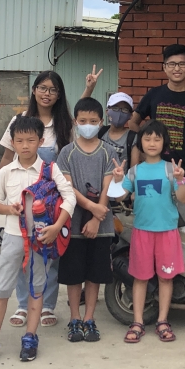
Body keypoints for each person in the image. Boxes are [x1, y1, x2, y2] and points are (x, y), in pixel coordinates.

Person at [0, 115, 76, 365]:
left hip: (41, 240)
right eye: (19, 140)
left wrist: (56, 227)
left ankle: (30, 337)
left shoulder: (50, 170)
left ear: (41, 141)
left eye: (31, 140)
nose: (25, 145)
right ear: (12, 141)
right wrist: (11, 209)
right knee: (2, 289)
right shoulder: (6, 173)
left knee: (36, 288)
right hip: (11, 238)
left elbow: (70, 198)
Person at [0, 71, 73, 329]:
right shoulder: (18, 120)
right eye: (42, 88)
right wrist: (5, 194)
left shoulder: (64, 125)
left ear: (59, 95)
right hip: (22, 197)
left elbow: (69, 162)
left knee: (47, 254)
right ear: (34, 90)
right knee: (24, 254)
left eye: (52, 90)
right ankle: (22, 304)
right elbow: (7, 159)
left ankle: (47, 305)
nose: (46, 93)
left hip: (51, 201)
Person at [113, 120, 185, 344]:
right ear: (140, 143)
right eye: (147, 139)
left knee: (166, 278)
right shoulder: (135, 172)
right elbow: (119, 197)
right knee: (140, 278)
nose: (152, 143)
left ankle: (163, 321)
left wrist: (180, 180)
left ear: (164, 142)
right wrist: (118, 180)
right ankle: (137, 322)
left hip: (167, 232)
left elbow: (183, 198)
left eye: (157, 138)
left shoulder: (170, 169)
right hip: (142, 232)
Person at [56, 97, 116, 343]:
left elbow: (108, 186)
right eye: (83, 121)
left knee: (94, 276)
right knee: (74, 275)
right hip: (73, 225)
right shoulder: (66, 153)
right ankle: (74, 318)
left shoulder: (108, 151)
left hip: (101, 227)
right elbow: (67, 189)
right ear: (75, 122)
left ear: (101, 122)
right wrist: (93, 209)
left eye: (93, 121)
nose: (88, 125)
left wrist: (96, 218)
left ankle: (90, 319)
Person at [130, 44, 185, 212]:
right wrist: (145, 145)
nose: (177, 68)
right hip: (154, 171)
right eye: (172, 64)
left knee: (183, 225)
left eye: (182, 64)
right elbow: (133, 122)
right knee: (152, 219)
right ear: (164, 68)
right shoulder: (154, 94)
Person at [99, 91, 139, 169]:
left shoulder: (133, 138)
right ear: (107, 111)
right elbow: (81, 110)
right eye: (115, 108)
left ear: (131, 115)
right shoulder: (100, 132)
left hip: (121, 180)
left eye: (125, 109)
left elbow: (133, 171)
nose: (119, 112)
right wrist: (89, 88)